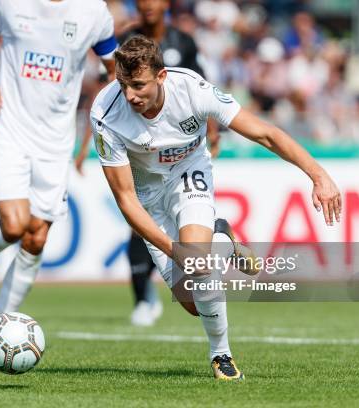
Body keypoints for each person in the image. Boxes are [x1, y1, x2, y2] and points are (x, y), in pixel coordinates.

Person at [90, 36, 340, 380]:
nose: (130, 95)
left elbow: (265, 134)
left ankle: (221, 354)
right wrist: (173, 250)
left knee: (200, 267)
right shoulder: (105, 113)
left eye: (138, 85)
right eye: (123, 84)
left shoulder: (193, 89)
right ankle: (222, 240)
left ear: (161, 76)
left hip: (189, 175)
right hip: (147, 197)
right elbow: (126, 200)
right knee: (193, 304)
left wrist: (319, 176)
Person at [0, 0, 117, 318]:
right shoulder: (10, 3)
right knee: (14, 226)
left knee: (37, 236)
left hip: (55, 140)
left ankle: (0, 323)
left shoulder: (93, 11)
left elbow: (113, 68)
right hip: (9, 125)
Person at [119, 0, 219, 326]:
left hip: (179, 147)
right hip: (140, 146)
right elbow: (108, 89)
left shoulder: (183, 41)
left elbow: (206, 92)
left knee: (175, 233)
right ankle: (142, 299)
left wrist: (213, 132)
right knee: (138, 222)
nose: (147, 5)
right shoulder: (126, 41)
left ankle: (211, 237)